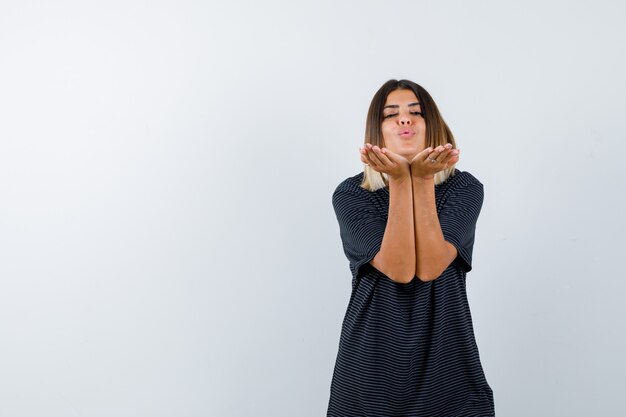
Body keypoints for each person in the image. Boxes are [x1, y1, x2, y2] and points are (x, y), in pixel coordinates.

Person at [327, 79, 495, 416]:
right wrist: (403, 181)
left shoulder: (464, 188)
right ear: (377, 132)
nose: (404, 119)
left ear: (433, 126)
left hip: (448, 368)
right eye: (392, 115)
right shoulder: (352, 195)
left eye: (415, 112)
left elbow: (431, 267)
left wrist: (419, 180)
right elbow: (400, 270)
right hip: (370, 371)